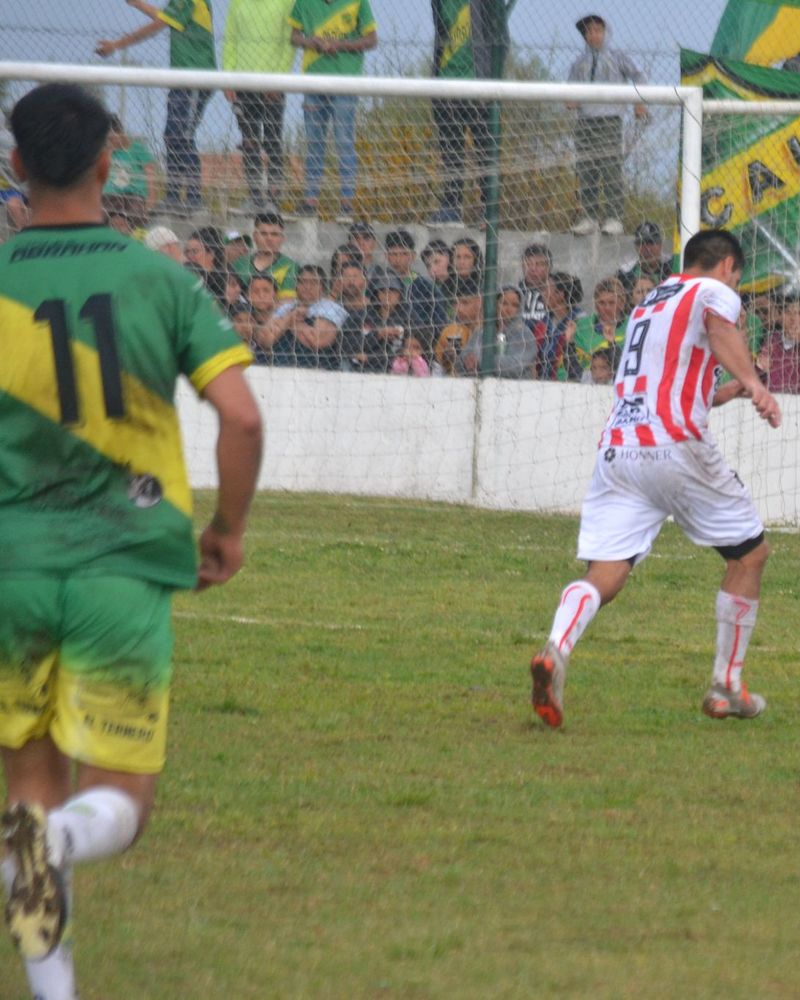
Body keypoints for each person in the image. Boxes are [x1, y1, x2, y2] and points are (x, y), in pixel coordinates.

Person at [0, 83, 262, 1000]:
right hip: (122, 566)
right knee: (118, 801)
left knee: (25, 784)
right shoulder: (159, 279)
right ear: (113, 160)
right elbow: (242, 419)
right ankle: (62, 839)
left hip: (10, 570)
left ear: (17, 164)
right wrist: (224, 530)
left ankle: (53, 989)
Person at [529, 229, 782, 728]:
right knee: (749, 554)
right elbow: (719, 327)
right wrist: (754, 382)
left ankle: (555, 650)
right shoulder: (712, 293)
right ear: (728, 265)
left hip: (620, 448)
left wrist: (729, 392)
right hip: (676, 445)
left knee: (605, 573)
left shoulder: (649, 304)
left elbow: (677, 381)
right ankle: (726, 685)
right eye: (738, 275)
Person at [96, 0, 215, 214]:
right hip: (183, 80)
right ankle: (173, 195)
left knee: (182, 136)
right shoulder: (185, 5)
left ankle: (193, 199)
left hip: (194, 78)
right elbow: (166, 18)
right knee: (172, 135)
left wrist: (117, 44)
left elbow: (158, 25)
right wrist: (139, 5)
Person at [290, 0, 378, 221]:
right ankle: (310, 202)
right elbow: (294, 36)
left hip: (345, 82)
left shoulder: (358, 3)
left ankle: (346, 204)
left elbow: (372, 39)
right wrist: (313, 42)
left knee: (344, 141)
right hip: (313, 79)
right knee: (314, 143)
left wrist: (339, 45)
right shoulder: (303, 2)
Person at [567, 14, 647, 236]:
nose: (593, 35)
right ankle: (589, 216)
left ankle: (614, 216)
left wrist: (639, 102)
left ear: (605, 32)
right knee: (586, 169)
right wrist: (570, 101)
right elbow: (570, 91)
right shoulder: (578, 64)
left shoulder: (617, 57)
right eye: (589, 31)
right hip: (585, 122)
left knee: (610, 166)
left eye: (597, 30)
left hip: (609, 120)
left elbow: (639, 76)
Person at [430, 0, 500, 224]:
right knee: (451, 151)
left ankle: (488, 211)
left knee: (484, 150)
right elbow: (440, 34)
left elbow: (499, 37)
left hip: (477, 85)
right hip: (446, 82)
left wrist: (490, 80)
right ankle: (450, 208)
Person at [224, 0, 296, 212]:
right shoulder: (237, 3)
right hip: (243, 84)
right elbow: (230, 40)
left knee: (273, 141)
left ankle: (273, 201)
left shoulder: (287, 2)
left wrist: (279, 78)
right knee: (249, 143)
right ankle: (255, 198)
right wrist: (228, 78)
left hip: (272, 85)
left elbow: (289, 43)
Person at [102, 116, 159, 233]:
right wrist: (108, 152)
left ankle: (127, 231)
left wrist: (151, 200)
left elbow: (151, 175)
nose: (109, 142)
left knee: (135, 212)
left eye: (111, 138)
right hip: (111, 195)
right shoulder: (106, 152)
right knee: (101, 212)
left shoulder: (137, 148)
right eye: (106, 139)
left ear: (120, 132)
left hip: (133, 195)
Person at [569, 277, 628, 379]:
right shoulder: (582, 327)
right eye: (602, 303)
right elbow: (570, 368)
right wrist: (569, 341)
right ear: (595, 304)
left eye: (611, 303)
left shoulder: (632, 325)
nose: (607, 308)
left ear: (622, 304)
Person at [232, 212, 299, 300]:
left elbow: (286, 304)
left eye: (274, 234)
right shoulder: (239, 264)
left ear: (282, 238)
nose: (269, 238)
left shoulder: (291, 267)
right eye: (263, 234)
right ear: (255, 236)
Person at [484, 286, 540, 379]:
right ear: (495, 304)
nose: (508, 309)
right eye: (504, 303)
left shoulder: (524, 334)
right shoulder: (484, 330)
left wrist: (485, 360)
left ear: (520, 308)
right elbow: (463, 360)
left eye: (514, 305)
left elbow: (514, 367)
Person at [538, 271, 584, 380]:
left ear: (560, 294)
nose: (542, 294)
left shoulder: (579, 320)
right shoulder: (546, 320)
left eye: (546, 289)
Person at [435, 277, 483, 375]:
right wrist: (447, 359)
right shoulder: (449, 331)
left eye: (465, 303)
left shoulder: (491, 330)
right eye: (455, 303)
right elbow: (440, 365)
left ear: (479, 302)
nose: (459, 309)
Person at [617, 221, 673, 288]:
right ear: (636, 247)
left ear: (660, 245)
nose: (647, 249)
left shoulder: (672, 266)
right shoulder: (626, 273)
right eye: (642, 243)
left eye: (651, 243)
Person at [518, 243, 552, 327]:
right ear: (522, 266)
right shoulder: (514, 293)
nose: (532, 269)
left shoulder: (556, 294)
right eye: (528, 263)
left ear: (549, 267)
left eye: (539, 264)